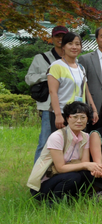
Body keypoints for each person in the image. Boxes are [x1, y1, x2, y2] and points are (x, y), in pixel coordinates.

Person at [27, 101, 102, 203]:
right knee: (74, 176)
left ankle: (73, 198)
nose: (79, 121)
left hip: (66, 176)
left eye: (83, 117)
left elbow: (84, 162)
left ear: (87, 120)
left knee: (89, 173)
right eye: (75, 117)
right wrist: (87, 164)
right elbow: (60, 168)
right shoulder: (57, 136)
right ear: (67, 118)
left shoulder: (85, 136)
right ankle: (52, 201)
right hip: (44, 183)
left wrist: (91, 167)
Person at [26, 25, 68, 164]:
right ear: (52, 39)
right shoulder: (41, 58)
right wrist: (48, 75)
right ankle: (37, 178)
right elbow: (29, 78)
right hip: (48, 107)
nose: (60, 39)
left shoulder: (72, 59)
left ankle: (57, 174)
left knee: (65, 143)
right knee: (45, 141)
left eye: (63, 36)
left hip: (67, 107)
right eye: (57, 36)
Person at [48, 32, 97, 132]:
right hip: (64, 113)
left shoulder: (81, 68)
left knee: (79, 145)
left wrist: (94, 110)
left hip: (80, 115)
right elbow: (53, 92)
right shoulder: (56, 66)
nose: (74, 47)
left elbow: (86, 91)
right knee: (63, 145)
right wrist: (58, 115)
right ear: (63, 47)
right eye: (70, 43)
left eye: (77, 44)